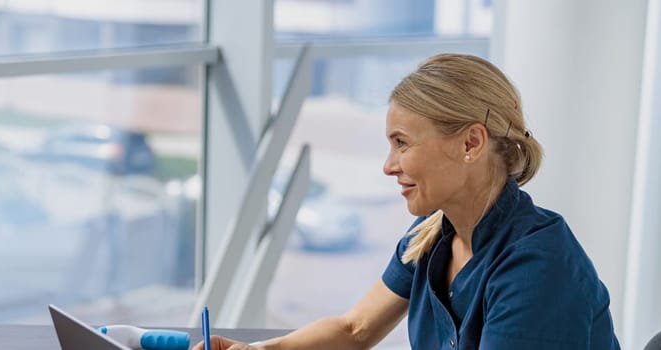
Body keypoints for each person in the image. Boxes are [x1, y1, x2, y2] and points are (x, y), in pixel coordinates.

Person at [195, 54, 619, 349]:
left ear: (471, 142)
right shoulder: (431, 235)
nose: (388, 166)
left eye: (402, 143)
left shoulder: (537, 266)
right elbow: (355, 328)